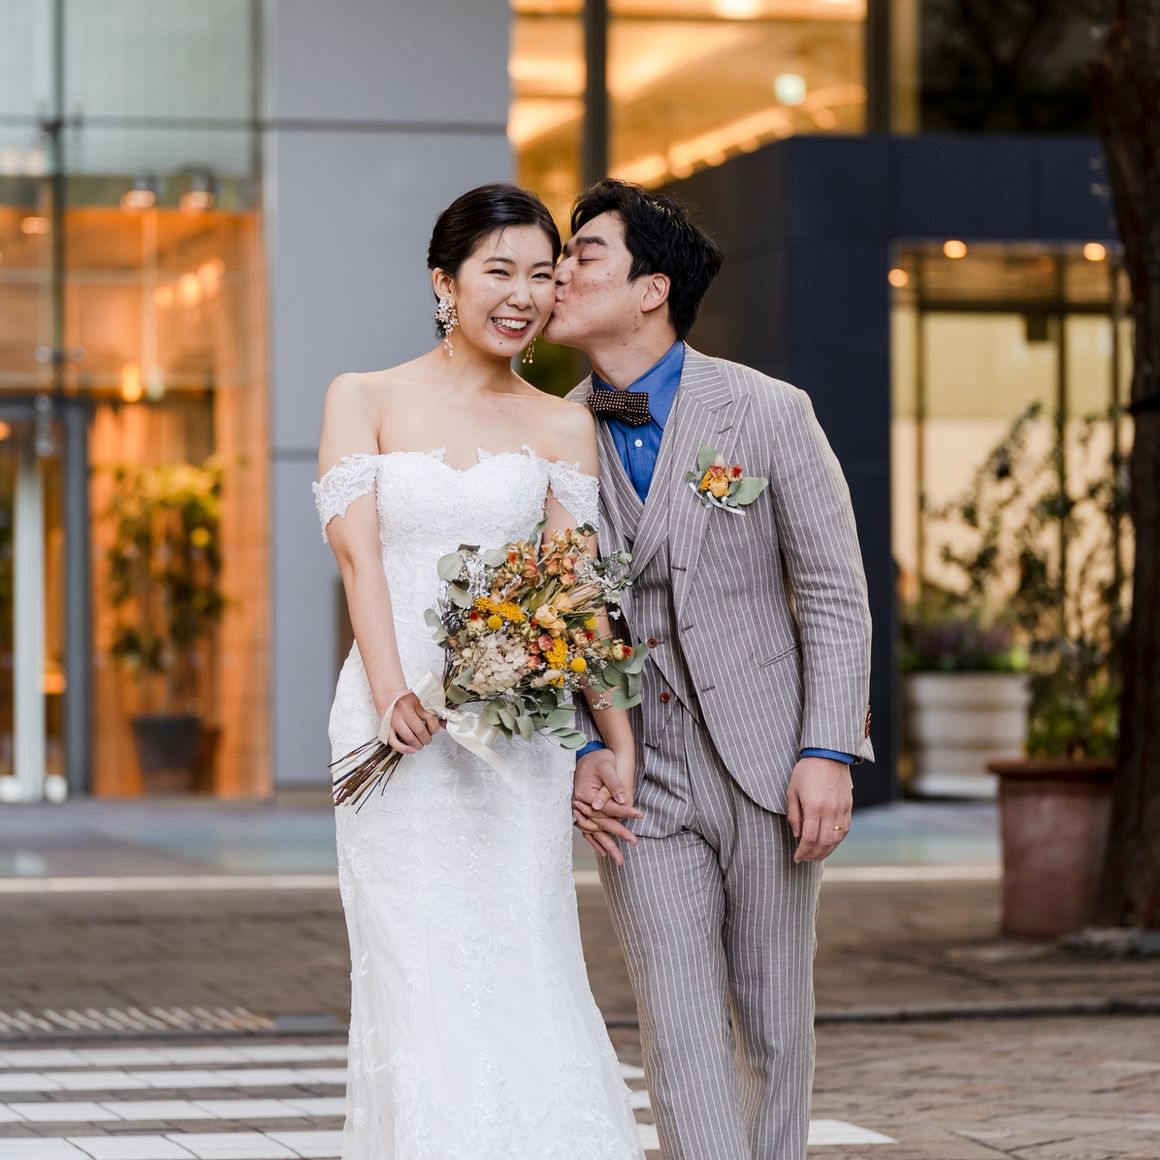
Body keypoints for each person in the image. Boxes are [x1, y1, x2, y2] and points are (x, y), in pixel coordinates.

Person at [313, 183, 643, 1159]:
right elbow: (359, 560)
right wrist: (392, 694)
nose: (523, 294)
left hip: (515, 738)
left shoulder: (561, 425)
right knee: (412, 963)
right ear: (444, 282)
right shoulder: (363, 395)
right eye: (499, 270)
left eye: (542, 274)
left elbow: (571, 590)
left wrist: (612, 738)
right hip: (391, 729)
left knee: (523, 948)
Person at [548, 178, 873, 1160]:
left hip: (769, 761)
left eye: (583, 255)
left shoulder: (768, 411)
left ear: (651, 289)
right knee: (679, 1029)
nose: (557, 273)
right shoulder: (551, 431)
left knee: (773, 1026)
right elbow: (549, 616)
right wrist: (580, 748)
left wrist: (827, 750)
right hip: (636, 774)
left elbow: (833, 593)